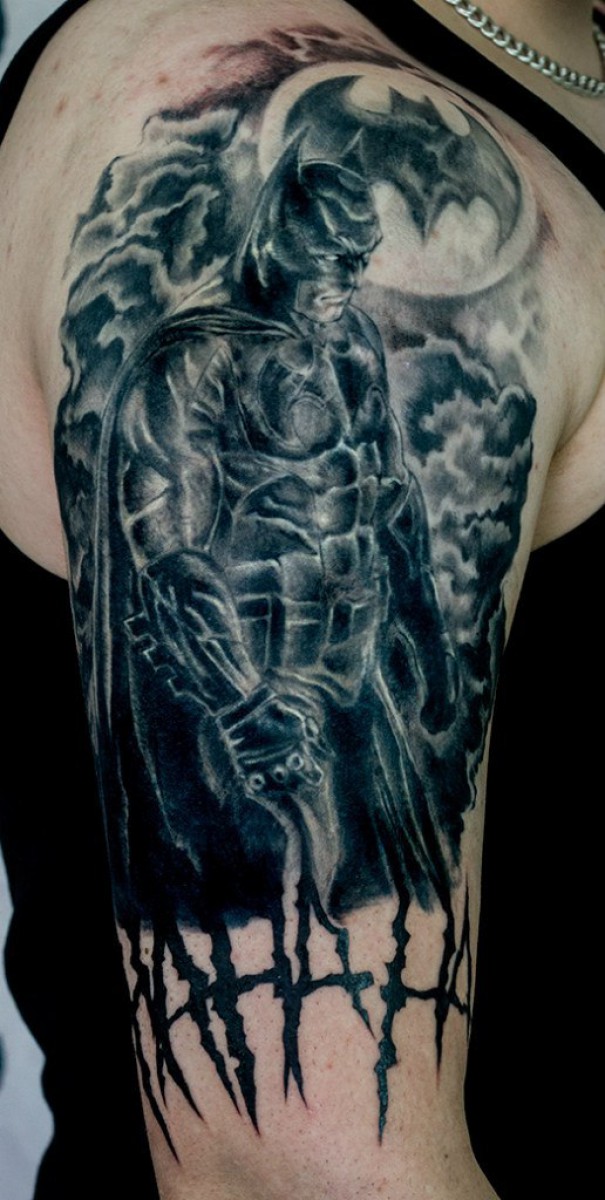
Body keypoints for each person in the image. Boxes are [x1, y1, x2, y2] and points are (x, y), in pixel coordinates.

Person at [0, 2, 602, 1198]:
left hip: (354, 699)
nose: (340, 288)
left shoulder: (353, 354)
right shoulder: (201, 339)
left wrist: (420, 673)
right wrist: (241, 704)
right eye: (327, 263)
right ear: (279, 241)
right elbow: (302, 1180)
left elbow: (390, 520)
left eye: (351, 268)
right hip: (269, 721)